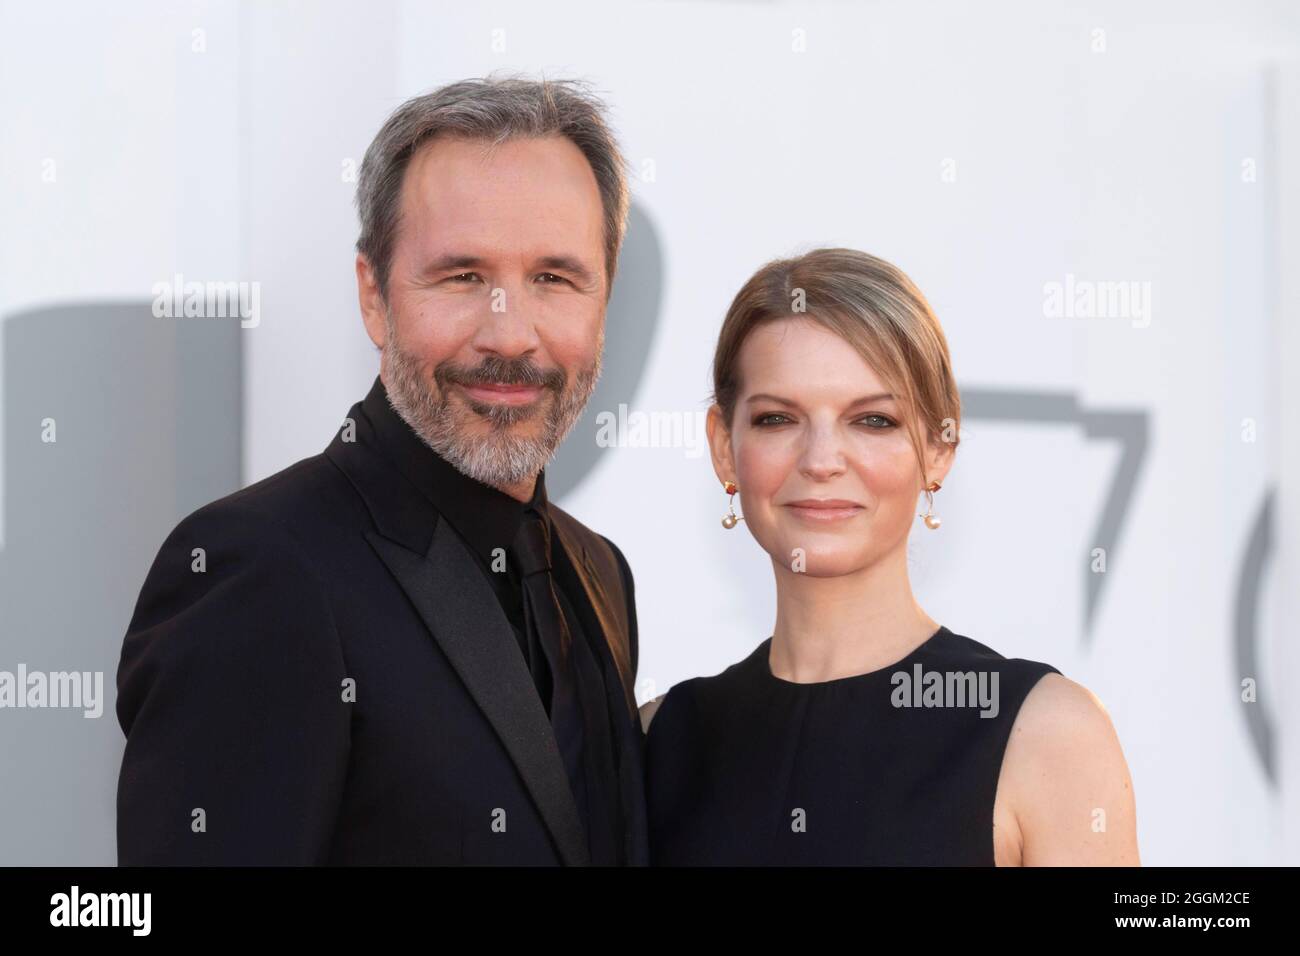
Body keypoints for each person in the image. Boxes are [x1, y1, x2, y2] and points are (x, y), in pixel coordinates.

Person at [116, 75, 647, 865]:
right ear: (374, 296)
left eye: (553, 278)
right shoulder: (260, 570)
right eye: (463, 276)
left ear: (604, 303)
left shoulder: (600, 574)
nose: (510, 336)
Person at [641, 248, 1140, 866]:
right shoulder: (658, 743)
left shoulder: (1042, 733)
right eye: (777, 419)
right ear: (724, 446)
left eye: (872, 421)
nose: (821, 460)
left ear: (938, 448)